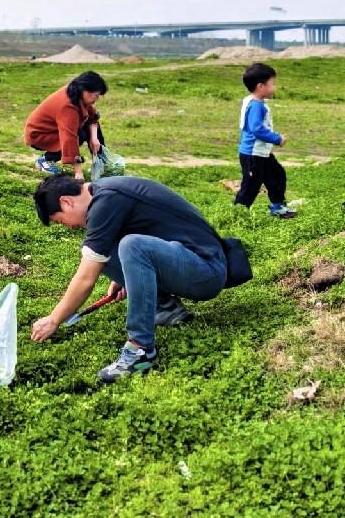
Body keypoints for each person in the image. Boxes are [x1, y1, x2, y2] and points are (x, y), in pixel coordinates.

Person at [30, 174, 228, 384]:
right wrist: (128, 276)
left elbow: (86, 278)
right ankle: (165, 308)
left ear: (66, 202)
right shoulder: (104, 191)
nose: (68, 227)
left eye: (60, 221)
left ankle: (141, 350)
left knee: (131, 246)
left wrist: (54, 319)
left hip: (207, 270)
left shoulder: (106, 201)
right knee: (100, 249)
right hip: (185, 260)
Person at [234, 63, 296, 219]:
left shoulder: (251, 100)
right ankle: (236, 214)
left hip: (262, 153)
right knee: (250, 186)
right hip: (253, 155)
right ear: (261, 86)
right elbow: (257, 129)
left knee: (277, 175)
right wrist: (277, 139)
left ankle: (278, 207)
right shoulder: (257, 106)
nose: (274, 87)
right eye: (272, 84)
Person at [24, 71, 107, 176]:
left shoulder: (77, 92)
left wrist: (94, 138)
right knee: (80, 135)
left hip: (55, 129)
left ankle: (101, 164)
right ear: (86, 91)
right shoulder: (67, 106)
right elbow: (69, 138)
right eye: (96, 95)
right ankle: (46, 160)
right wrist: (78, 173)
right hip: (40, 135)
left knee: (91, 129)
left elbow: (92, 117)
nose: (97, 99)